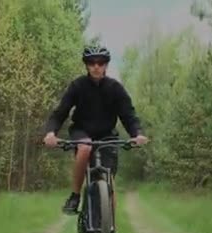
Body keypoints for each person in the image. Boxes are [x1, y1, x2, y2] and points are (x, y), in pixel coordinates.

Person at [42, 45, 149, 214]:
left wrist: (138, 134)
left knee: (109, 185)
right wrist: (50, 133)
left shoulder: (115, 88)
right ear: (86, 65)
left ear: (106, 65)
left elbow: (128, 115)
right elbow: (60, 113)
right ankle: (75, 196)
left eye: (100, 62)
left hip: (107, 136)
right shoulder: (78, 86)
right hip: (82, 132)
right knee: (85, 147)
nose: (96, 66)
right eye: (92, 63)